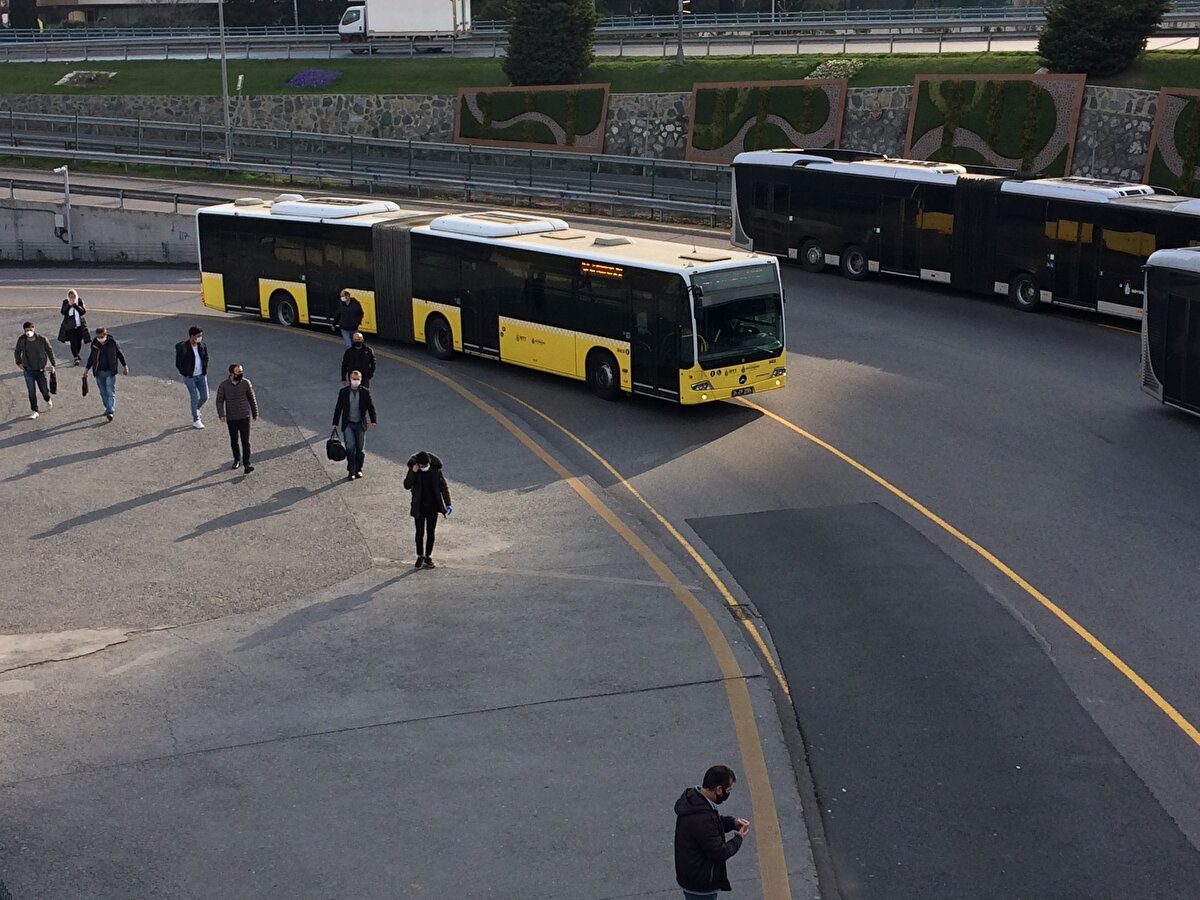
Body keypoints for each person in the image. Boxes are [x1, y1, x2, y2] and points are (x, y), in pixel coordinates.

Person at [674, 765, 750, 899]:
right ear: (719, 790)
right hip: (701, 884)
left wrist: (731, 823)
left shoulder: (696, 802)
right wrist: (739, 838)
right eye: (728, 789)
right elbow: (720, 852)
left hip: (691, 877)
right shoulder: (702, 818)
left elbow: (711, 825)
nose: (728, 792)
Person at [403, 450, 452, 570]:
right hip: (419, 507)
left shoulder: (435, 470)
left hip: (433, 507)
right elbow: (407, 485)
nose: (423, 468)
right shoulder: (415, 470)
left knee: (431, 532)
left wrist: (448, 503)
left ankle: (428, 556)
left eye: (425, 466)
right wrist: (412, 473)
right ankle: (420, 555)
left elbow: (443, 486)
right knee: (419, 533)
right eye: (421, 466)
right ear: (418, 465)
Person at [331, 370, 375, 481]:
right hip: (348, 424)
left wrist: (373, 419)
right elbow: (338, 408)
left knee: (360, 448)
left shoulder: (365, 392)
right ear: (350, 379)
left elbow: (370, 406)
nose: (356, 381)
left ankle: (358, 469)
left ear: (360, 380)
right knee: (350, 447)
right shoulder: (344, 392)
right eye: (354, 379)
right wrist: (335, 423)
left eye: (358, 379)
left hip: (360, 424)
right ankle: (351, 470)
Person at [215, 363, 258, 473]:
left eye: (241, 371)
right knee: (234, 441)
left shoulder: (246, 383)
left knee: (246, 441)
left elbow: (251, 397)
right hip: (232, 418)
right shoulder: (224, 385)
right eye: (238, 372)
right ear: (232, 373)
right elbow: (219, 400)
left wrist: (255, 412)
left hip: (244, 416)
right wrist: (221, 414)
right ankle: (237, 460)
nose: (241, 373)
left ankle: (247, 464)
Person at [82, 327, 129, 423]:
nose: (100, 338)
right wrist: (86, 369)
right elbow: (92, 357)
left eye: (102, 336)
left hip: (110, 372)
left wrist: (125, 366)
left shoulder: (112, 343)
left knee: (110, 390)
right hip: (99, 372)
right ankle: (107, 407)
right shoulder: (94, 344)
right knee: (103, 392)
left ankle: (110, 410)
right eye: (98, 337)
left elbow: (119, 354)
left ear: (105, 334)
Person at [14, 321, 56, 420]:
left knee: (44, 390)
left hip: (41, 370)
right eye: (26, 330)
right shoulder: (21, 340)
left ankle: (47, 399)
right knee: (31, 391)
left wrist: (53, 364)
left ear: (34, 328)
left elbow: (49, 351)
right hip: (28, 370)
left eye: (30, 329)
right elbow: (17, 351)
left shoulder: (42, 340)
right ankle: (35, 410)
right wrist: (19, 363)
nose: (29, 332)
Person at [174, 325, 209, 429]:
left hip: (201, 376)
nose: (200, 338)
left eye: (201, 336)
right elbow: (178, 363)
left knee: (205, 396)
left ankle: (196, 409)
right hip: (190, 377)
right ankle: (196, 419)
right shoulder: (184, 348)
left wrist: (205, 370)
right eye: (198, 336)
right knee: (194, 397)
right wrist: (185, 373)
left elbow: (206, 357)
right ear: (192, 336)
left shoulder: (202, 345)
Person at [57, 289, 90, 366]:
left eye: (73, 296)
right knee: (73, 341)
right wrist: (69, 305)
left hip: (79, 325)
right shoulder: (65, 302)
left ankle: (77, 353)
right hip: (70, 326)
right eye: (70, 296)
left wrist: (75, 305)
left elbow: (83, 311)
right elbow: (63, 312)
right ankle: (75, 356)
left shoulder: (79, 301)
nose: (72, 298)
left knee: (79, 341)